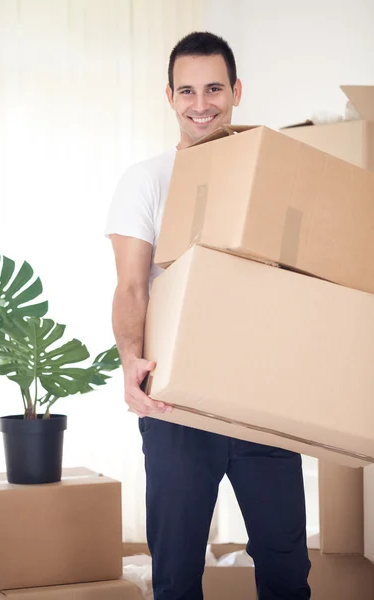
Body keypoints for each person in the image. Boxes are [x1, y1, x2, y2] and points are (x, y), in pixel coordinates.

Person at [105, 31, 311, 600]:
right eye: (188, 90)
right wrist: (130, 363)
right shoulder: (145, 180)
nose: (202, 104)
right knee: (175, 571)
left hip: (261, 398)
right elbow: (129, 286)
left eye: (215, 88)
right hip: (178, 404)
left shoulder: (272, 176)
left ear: (237, 91)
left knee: (286, 565)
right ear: (169, 97)